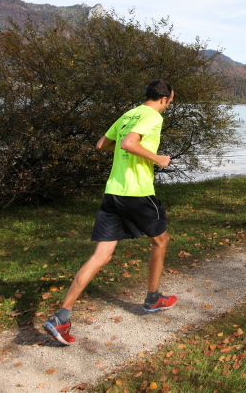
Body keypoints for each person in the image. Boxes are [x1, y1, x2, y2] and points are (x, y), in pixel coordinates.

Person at [43, 79, 178, 346]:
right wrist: (158, 159)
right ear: (164, 99)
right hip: (137, 193)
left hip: (113, 193)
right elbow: (128, 143)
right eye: (170, 102)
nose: (169, 106)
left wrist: (128, 148)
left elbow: (102, 144)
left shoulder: (129, 114)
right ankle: (153, 299)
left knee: (101, 255)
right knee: (161, 241)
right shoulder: (153, 116)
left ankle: (61, 317)